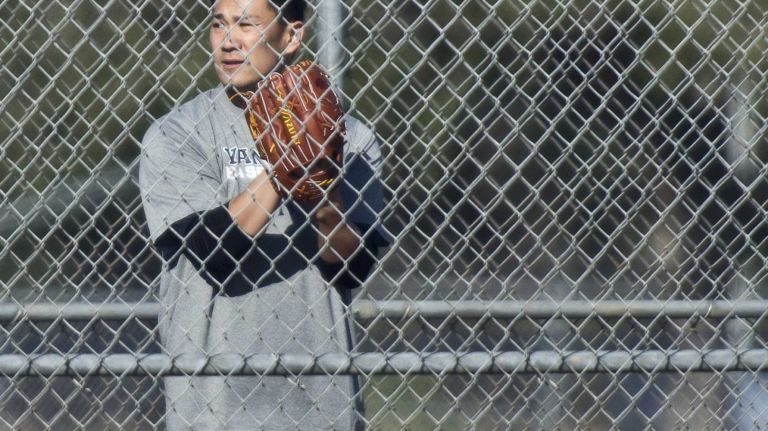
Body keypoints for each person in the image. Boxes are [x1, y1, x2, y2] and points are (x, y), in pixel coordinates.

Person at [138, 0, 388, 428]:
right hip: (212, 403)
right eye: (218, 24)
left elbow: (352, 268)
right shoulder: (177, 133)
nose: (228, 41)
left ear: (290, 36)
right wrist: (287, 163)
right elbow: (213, 252)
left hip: (321, 399)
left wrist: (326, 195)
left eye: (246, 25)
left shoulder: (349, 138)